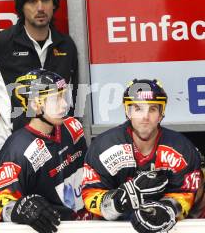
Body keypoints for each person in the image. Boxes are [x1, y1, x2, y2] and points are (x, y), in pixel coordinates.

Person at [0, 0, 80, 220]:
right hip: (7, 149)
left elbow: (73, 94)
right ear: (21, 6)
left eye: (46, 0)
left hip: (53, 153)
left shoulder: (66, 45)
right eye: (32, 1)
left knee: (55, 219)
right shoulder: (0, 42)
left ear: (54, 3)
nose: (40, 8)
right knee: (10, 218)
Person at [81, 79, 202, 233]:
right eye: (138, 108)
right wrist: (116, 201)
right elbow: (89, 194)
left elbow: (187, 194)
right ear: (128, 112)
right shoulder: (103, 147)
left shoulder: (182, 149)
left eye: (152, 109)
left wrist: (167, 209)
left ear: (161, 114)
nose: (145, 116)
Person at [0, 69, 89, 233]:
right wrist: (20, 208)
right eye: (56, 99)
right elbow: (1, 202)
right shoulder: (17, 149)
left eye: (63, 96)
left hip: (88, 224)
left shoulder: (73, 126)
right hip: (52, 228)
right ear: (35, 105)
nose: (65, 104)